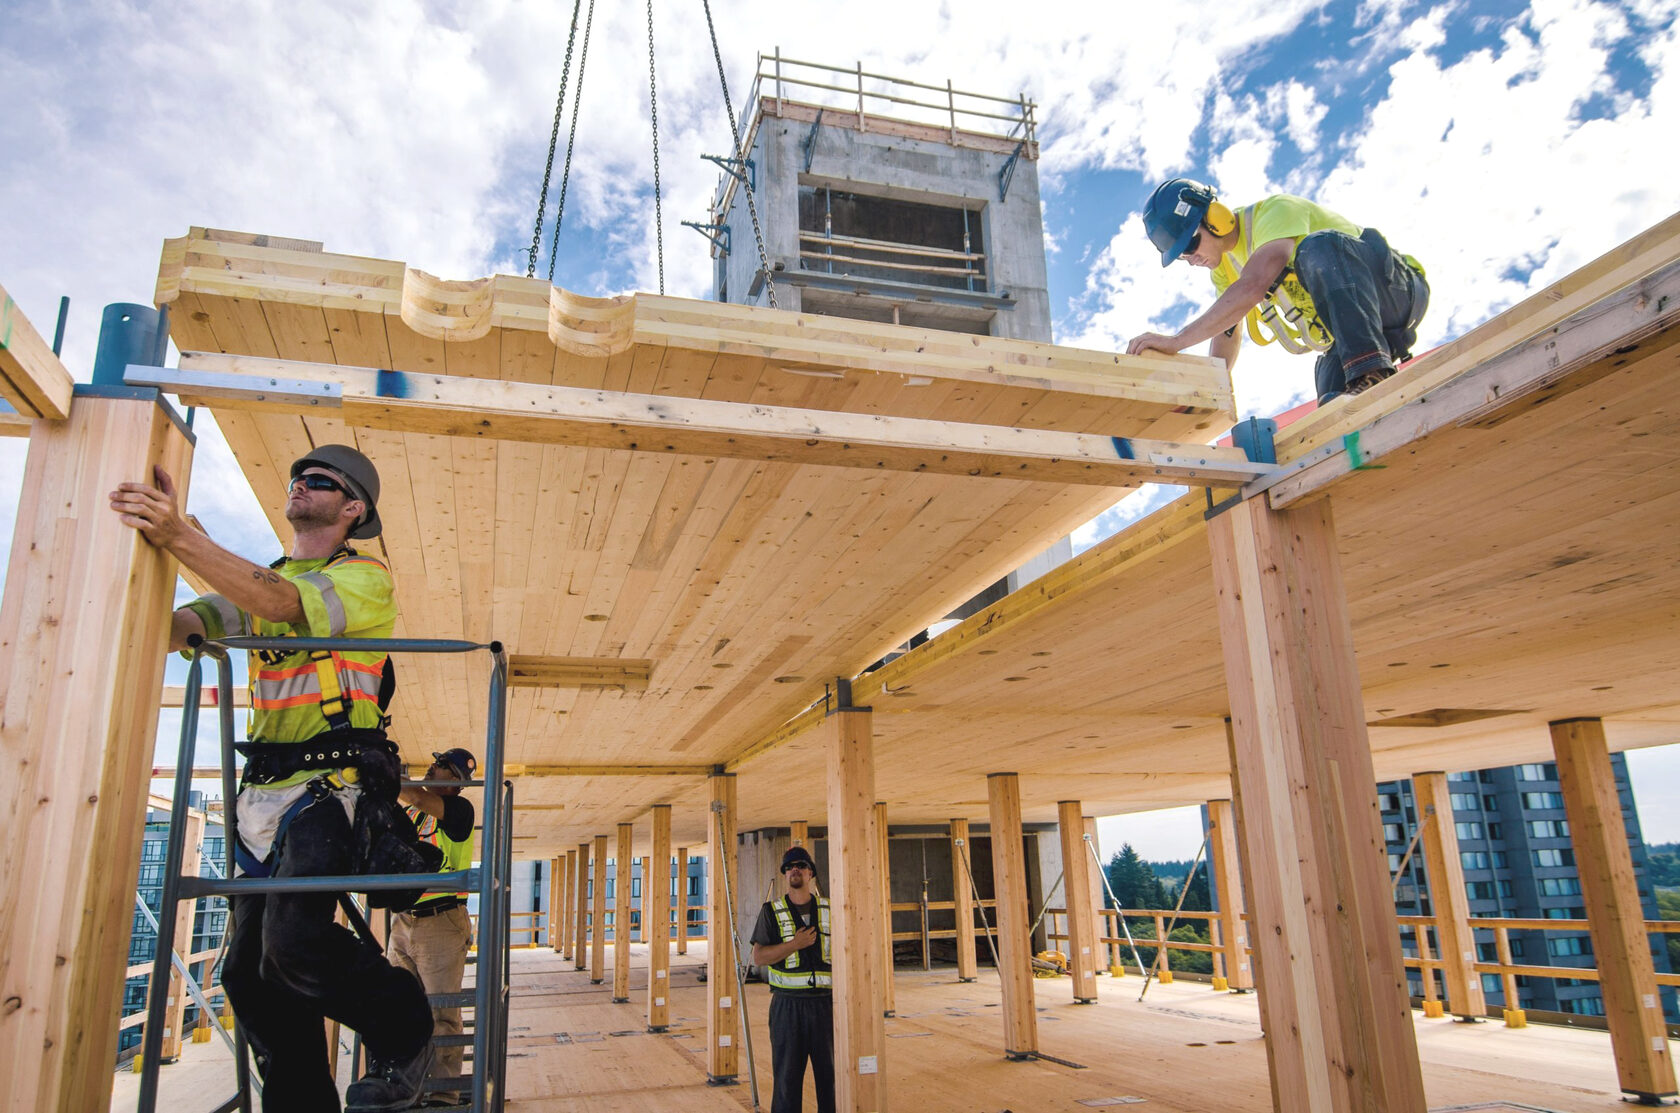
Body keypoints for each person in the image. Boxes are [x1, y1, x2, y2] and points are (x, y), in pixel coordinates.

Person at [110, 444, 434, 1113]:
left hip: (331, 787)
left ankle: (405, 1024)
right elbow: (183, 628)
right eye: (297, 475)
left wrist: (182, 537)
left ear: (352, 509)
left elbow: (284, 603)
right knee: (246, 972)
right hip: (260, 796)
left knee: (294, 944)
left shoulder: (364, 579)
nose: (299, 483)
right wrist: (157, 553)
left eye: (320, 481)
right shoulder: (257, 581)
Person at [1126, 178, 1429, 404]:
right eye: (1180, 256)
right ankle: (1365, 377)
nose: (1190, 258)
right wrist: (1210, 389)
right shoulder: (1223, 269)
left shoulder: (1275, 212)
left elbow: (1254, 285)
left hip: (1396, 291)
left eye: (1190, 244)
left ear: (1215, 218)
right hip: (1359, 335)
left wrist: (1177, 341)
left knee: (1318, 247)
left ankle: (1369, 372)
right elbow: (1227, 329)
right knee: (1335, 405)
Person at [390, 748, 478, 1108]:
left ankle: (443, 1094)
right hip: (405, 920)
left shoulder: (460, 811)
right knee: (400, 1008)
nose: (432, 767)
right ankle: (409, 1086)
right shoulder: (411, 812)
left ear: (456, 780)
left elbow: (412, 794)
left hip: (441, 920)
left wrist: (388, 776)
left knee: (441, 1013)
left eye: (441, 766)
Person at [749, 847, 835, 1113]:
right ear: (785, 874)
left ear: (811, 873)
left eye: (800, 865)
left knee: (831, 1078)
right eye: (788, 867)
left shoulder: (831, 908)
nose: (794, 870)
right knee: (787, 1079)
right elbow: (759, 957)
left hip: (826, 1006)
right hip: (787, 1007)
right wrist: (794, 945)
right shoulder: (771, 911)